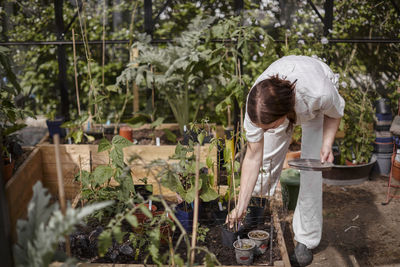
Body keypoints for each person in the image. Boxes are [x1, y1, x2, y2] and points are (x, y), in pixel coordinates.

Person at [226, 55, 345, 266]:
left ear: (284, 115)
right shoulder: (257, 103)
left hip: (314, 102)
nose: (265, 131)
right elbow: (253, 157)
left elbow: (334, 114)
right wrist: (239, 204)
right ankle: (252, 214)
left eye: (270, 126)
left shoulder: (320, 93)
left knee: (311, 169)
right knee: (266, 162)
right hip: (279, 103)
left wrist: (326, 145)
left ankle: (306, 240)